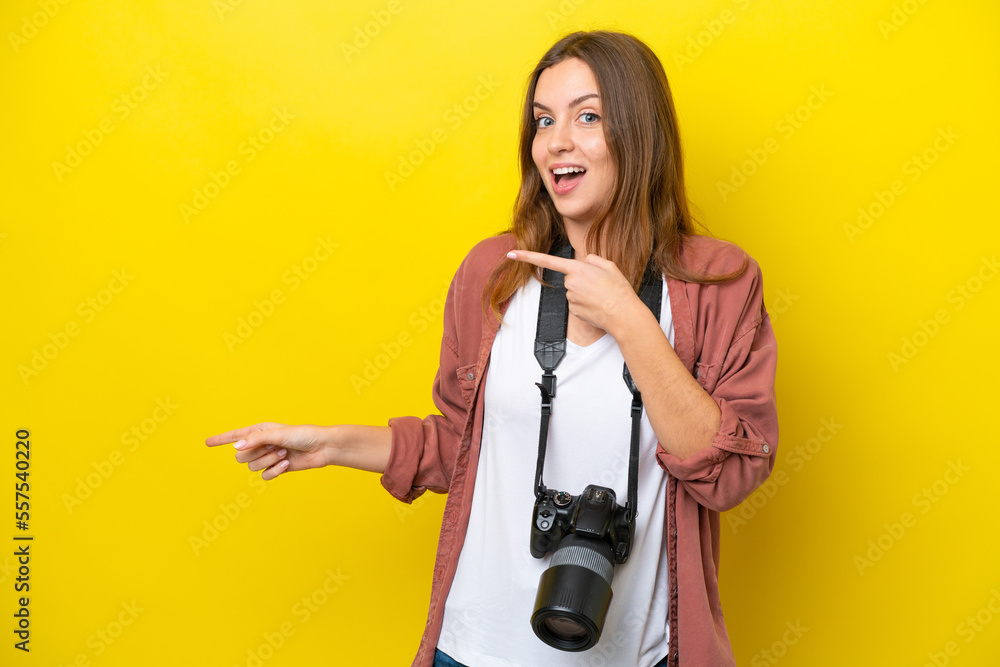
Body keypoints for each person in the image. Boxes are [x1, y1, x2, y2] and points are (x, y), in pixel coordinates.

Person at [206, 30, 778, 667]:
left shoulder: (718, 284)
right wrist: (330, 444)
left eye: (587, 116)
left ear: (640, 133)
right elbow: (461, 445)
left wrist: (631, 322)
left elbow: (728, 473)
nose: (556, 140)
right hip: (473, 649)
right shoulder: (493, 272)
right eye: (542, 120)